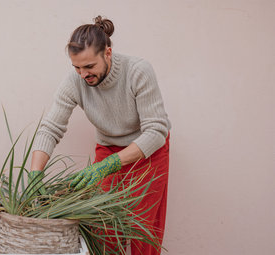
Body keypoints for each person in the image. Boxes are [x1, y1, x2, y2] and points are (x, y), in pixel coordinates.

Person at [28, 15, 171, 255]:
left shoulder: (138, 71)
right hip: (108, 150)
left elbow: (156, 131)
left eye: (89, 66)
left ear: (108, 53)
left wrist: (108, 166)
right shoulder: (75, 81)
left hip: (148, 152)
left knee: (142, 231)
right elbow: (50, 127)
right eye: (77, 67)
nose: (83, 74)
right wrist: (35, 174)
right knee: (104, 229)